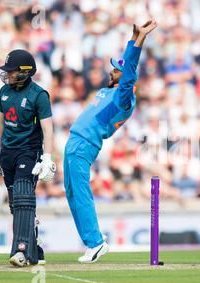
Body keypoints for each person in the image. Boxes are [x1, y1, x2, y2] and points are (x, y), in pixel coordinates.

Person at [64, 20, 157, 263]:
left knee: (81, 194)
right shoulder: (110, 90)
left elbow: (129, 72)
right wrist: (133, 36)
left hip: (84, 144)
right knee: (72, 194)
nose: (111, 71)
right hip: (75, 142)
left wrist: (140, 41)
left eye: (116, 70)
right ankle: (92, 240)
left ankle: (95, 243)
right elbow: (126, 70)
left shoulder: (123, 99)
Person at [0, 49, 55, 267]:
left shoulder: (39, 95)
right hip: (8, 151)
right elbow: (0, 122)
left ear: (26, 72)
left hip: (29, 150)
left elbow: (48, 128)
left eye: (12, 70)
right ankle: (35, 248)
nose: (7, 74)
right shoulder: (4, 92)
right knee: (16, 203)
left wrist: (47, 157)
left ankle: (21, 250)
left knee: (25, 196)